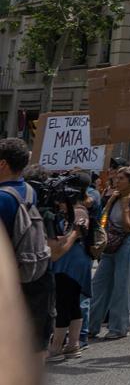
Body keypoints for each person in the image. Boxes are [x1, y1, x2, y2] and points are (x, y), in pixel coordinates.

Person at [0, 139, 52, 363]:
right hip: (34, 272)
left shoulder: (3, 198)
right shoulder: (29, 190)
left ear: (2, 164)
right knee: (34, 344)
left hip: (9, 280)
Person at [89, 165, 130, 341]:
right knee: (99, 284)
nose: (117, 181)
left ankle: (118, 327)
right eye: (117, 178)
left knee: (122, 286)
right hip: (111, 243)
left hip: (128, 243)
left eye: (122, 178)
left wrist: (126, 205)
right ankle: (91, 325)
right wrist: (111, 201)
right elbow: (103, 220)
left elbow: (129, 226)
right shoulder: (113, 196)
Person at [46, 173, 92, 362]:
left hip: (69, 262)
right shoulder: (78, 210)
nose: (59, 204)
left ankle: (56, 347)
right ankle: (73, 344)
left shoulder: (78, 212)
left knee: (63, 303)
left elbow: (67, 238)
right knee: (72, 303)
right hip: (74, 261)